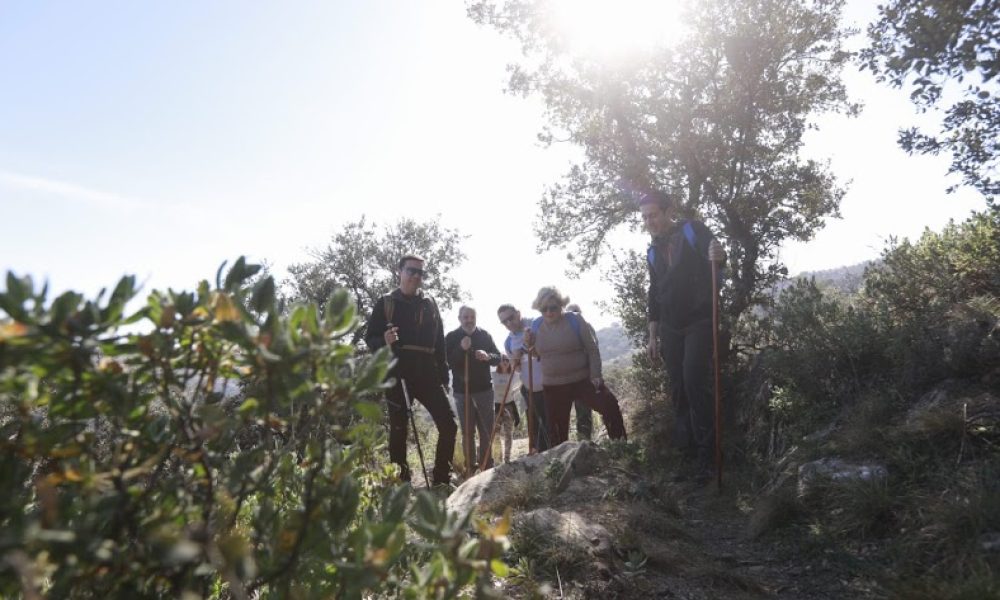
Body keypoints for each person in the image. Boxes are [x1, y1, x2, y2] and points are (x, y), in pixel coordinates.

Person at [639, 189, 725, 481]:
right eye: (644, 218)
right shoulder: (652, 251)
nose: (649, 222)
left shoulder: (693, 230)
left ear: (668, 211)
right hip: (670, 327)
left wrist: (720, 256)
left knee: (693, 381)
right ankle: (687, 455)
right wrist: (653, 336)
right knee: (678, 389)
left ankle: (709, 456)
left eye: (653, 215)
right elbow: (654, 293)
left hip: (700, 320)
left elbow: (717, 257)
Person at [365, 254, 457, 486]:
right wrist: (384, 340)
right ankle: (401, 482)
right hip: (397, 373)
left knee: (449, 425)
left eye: (420, 272)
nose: (416, 276)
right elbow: (370, 338)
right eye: (411, 271)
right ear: (400, 271)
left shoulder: (430, 303)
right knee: (399, 430)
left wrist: (444, 374)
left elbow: (439, 342)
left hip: (428, 373)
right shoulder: (386, 303)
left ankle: (441, 479)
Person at [523, 287, 626, 446]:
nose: (549, 312)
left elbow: (592, 349)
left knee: (610, 406)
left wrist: (596, 375)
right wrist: (528, 343)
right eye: (544, 309)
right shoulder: (536, 326)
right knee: (557, 430)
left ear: (561, 305)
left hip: (583, 380)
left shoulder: (575, 320)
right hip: (553, 385)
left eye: (553, 308)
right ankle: (561, 460)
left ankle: (621, 447)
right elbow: (537, 354)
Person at [446, 305, 502, 471]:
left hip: (484, 390)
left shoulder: (484, 335)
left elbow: (498, 357)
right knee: (467, 432)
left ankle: (486, 464)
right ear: (459, 318)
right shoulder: (452, 337)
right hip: (462, 392)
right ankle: (470, 466)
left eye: (472, 317)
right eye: (466, 317)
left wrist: (487, 356)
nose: (469, 320)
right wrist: (460, 349)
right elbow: (447, 362)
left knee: (486, 430)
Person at [496, 303, 551, 453]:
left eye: (511, 318)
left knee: (551, 423)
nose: (509, 323)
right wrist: (516, 359)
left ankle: (556, 455)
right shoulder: (508, 342)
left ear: (518, 313)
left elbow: (551, 350)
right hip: (530, 388)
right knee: (536, 424)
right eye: (504, 322)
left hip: (550, 384)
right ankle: (539, 454)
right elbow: (517, 368)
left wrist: (527, 347)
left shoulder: (537, 324)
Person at [563, 303, 594, 441]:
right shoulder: (560, 330)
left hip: (583, 377)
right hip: (564, 379)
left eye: (576, 312)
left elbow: (593, 351)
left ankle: (584, 443)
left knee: (583, 413)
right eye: (570, 313)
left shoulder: (587, 327)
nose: (574, 315)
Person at [491, 356, 522, 463]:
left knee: (508, 433)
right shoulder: (493, 375)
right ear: (499, 363)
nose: (505, 362)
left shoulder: (513, 375)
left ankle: (507, 458)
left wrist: (515, 391)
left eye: (507, 360)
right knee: (496, 433)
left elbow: (522, 379)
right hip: (497, 406)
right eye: (502, 360)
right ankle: (498, 458)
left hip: (509, 406)